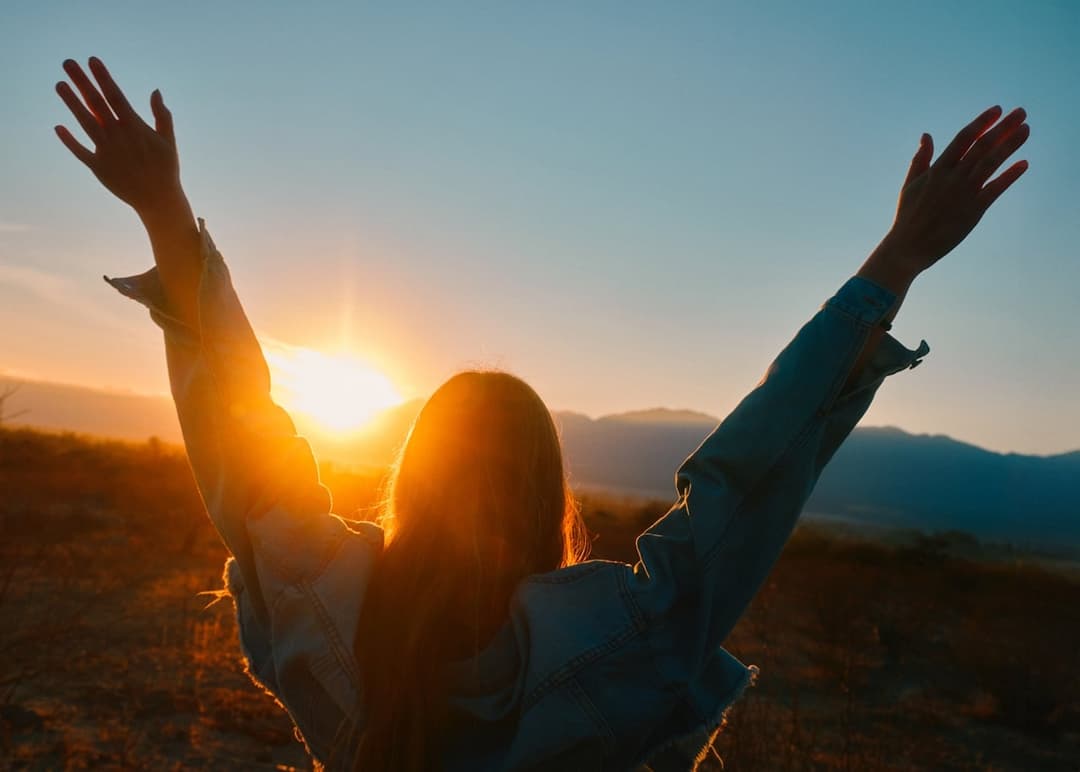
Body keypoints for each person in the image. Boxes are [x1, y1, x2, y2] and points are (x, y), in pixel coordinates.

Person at [54, 56, 1029, 771]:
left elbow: (248, 444)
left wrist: (167, 219)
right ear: (545, 493)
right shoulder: (617, 642)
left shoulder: (335, 614)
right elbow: (745, 481)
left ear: (413, 474)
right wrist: (892, 266)